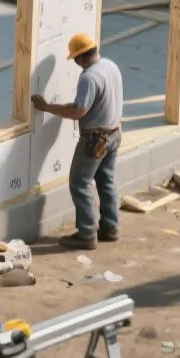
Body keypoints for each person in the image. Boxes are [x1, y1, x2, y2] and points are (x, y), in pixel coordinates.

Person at [30, 31, 124, 250]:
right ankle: (110, 228)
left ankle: (87, 234)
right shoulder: (111, 66)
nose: (76, 64)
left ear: (81, 57)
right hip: (114, 133)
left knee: (79, 183)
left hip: (95, 139)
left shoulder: (89, 77)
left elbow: (78, 111)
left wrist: (47, 107)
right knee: (106, 180)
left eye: (75, 59)